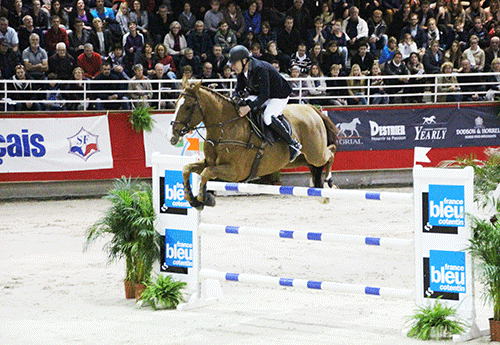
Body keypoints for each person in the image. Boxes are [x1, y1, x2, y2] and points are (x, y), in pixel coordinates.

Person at [228, 45, 301, 162]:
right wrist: (235, 98)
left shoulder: (260, 68)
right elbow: (239, 89)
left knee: (267, 117)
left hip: (278, 95)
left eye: (234, 63)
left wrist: (248, 108)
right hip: (261, 94)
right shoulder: (242, 71)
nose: (232, 67)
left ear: (244, 61)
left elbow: (264, 96)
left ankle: (292, 144)